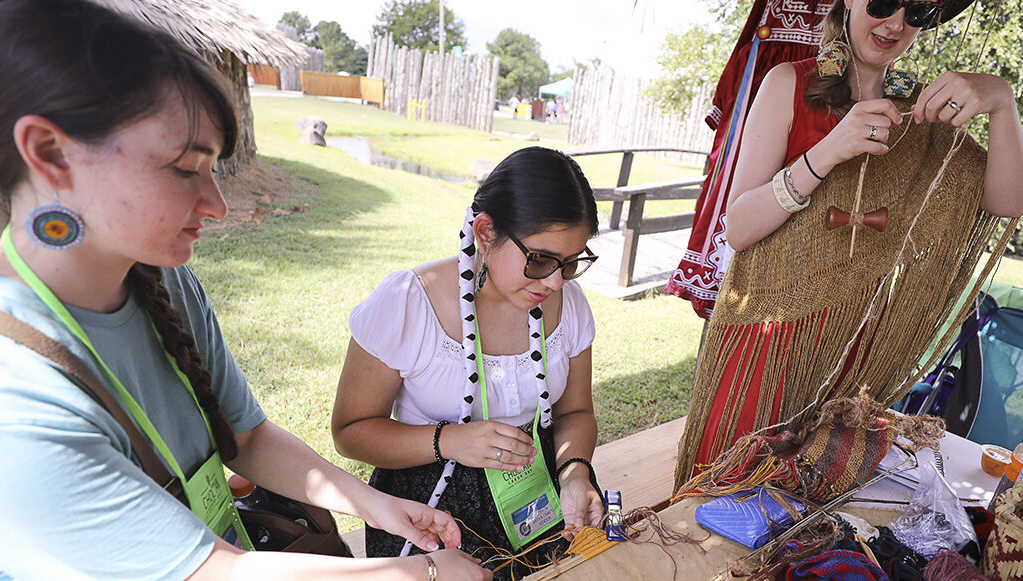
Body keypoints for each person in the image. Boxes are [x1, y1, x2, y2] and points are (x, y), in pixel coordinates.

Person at [0, 1, 490, 579]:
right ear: (51, 153)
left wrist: (381, 508)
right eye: (184, 168)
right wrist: (421, 574)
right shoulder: (11, 390)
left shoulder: (164, 281)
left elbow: (245, 437)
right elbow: (213, 572)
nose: (217, 205)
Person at [674, 0, 1023, 483]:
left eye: (918, 12)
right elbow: (738, 225)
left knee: (813, 505)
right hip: (765, 338)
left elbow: (1007, 201)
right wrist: (828, 151)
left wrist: (1003, 100)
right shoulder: (788, 84)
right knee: (727, 489)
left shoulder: (922, 113)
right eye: (882, 3)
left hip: (857, 350)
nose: (897, 23)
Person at [331, 146, 604, 579]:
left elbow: (575, 411)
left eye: (571, 263)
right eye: (540, 259)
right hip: (433, 510)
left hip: (541, 488)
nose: (554, 282)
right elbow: (350, 432)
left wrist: (574, 472)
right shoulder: (408, 303)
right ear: (485, 232)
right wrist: (450, 442)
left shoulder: (569, 305)